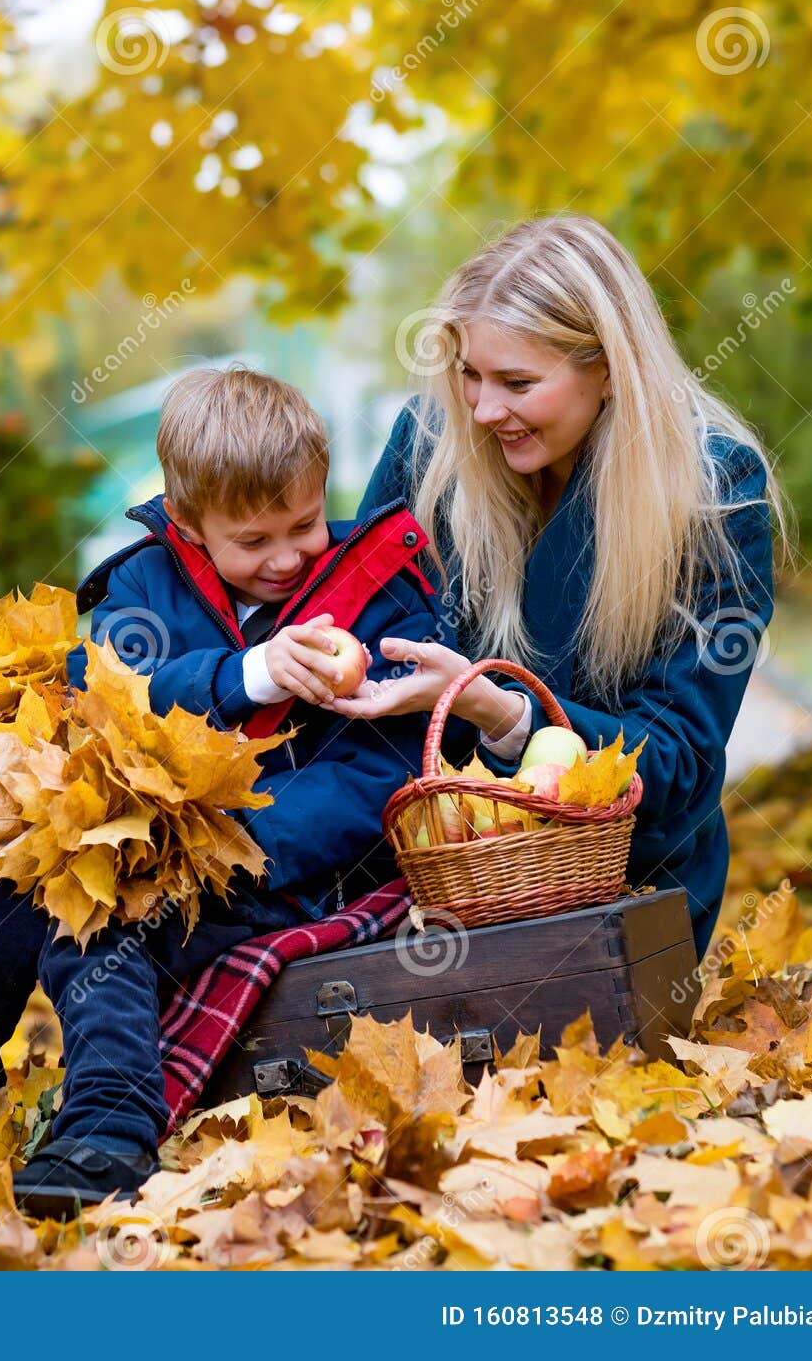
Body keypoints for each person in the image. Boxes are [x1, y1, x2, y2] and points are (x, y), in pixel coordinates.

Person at [0, 366, 440, 1217]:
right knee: (16, 888)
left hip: (293, 864)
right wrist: (243, 676)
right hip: (145, 832)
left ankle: (110, 1134)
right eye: (251, 541)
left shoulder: (377, 592)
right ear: (189, 526)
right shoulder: (144, 586)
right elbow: (109, 698)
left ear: (323, 487)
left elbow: (386, 767)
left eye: (302, 524)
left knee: (96, 925)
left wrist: (230, 838)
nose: (285, 556)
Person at [331, 214, 787, 960]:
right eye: (469, 376)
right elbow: (353, 627)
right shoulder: (431, 444)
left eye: (517, 383)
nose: (482, 410)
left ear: (607, 367)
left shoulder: (710, 493)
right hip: (432, 870)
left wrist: (501, 712)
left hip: (620, 884)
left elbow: (673, 760)